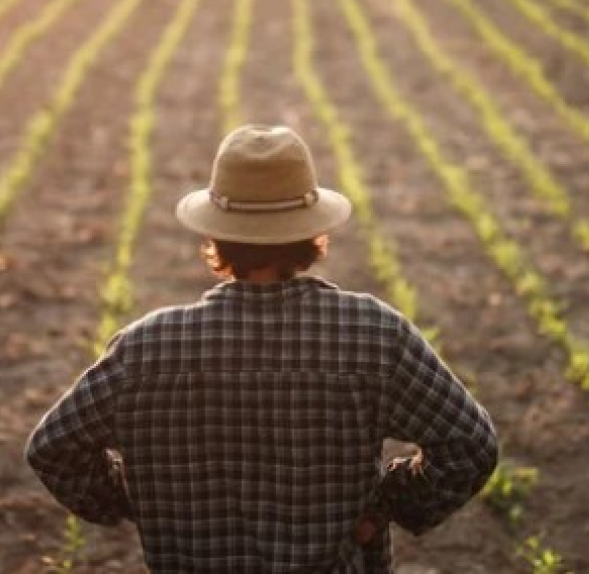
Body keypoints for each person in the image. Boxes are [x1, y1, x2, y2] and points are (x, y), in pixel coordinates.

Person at [25, 125, 498, 572]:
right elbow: (470, 445)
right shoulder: (372, 335)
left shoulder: (145, 349)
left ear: (216, 235)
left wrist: (133, 497)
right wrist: (388, 503)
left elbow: (53, 448)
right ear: (312, 233)